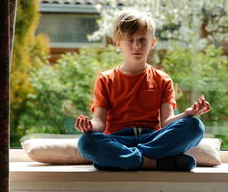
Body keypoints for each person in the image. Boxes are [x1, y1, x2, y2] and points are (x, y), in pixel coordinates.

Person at [75, 9, 211, 171]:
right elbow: (100, 122)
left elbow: (166, 122)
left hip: (152, 139)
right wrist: (90, 126)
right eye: (130, 40)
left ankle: (126, 159)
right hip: (118, 139)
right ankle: (156, 163)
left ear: (152, 42)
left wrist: (187, 114)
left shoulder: (162, 79)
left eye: (142, 40)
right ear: (118, 43)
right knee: (86, 142)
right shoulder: (105, 79)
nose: (137, 46)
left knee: (195, 126)